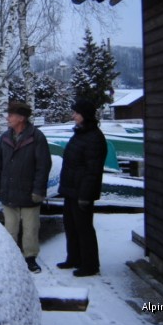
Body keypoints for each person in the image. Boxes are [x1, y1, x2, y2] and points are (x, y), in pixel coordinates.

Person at [0, 102, 52, 273]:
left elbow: (43, 166)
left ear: (22, 118)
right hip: (8, 192)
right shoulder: (4, 138)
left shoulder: (37, 137)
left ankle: (30, 258)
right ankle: (11, 257)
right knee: (10, 228)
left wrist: (39, 191)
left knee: (31, 228)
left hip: (29, 193)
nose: (7, 118)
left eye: (11, 115)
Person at [56, 99, 108, 277]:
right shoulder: (80, 133)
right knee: (70, 226)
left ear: (85, 115)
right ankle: (74, 258)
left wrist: (85, 195)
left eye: (76, 113)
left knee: (84, 228)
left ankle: (90, 264)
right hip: (71, 190)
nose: (73, 115)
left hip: (82, 192)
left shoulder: (94, 137)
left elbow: (92, 171)